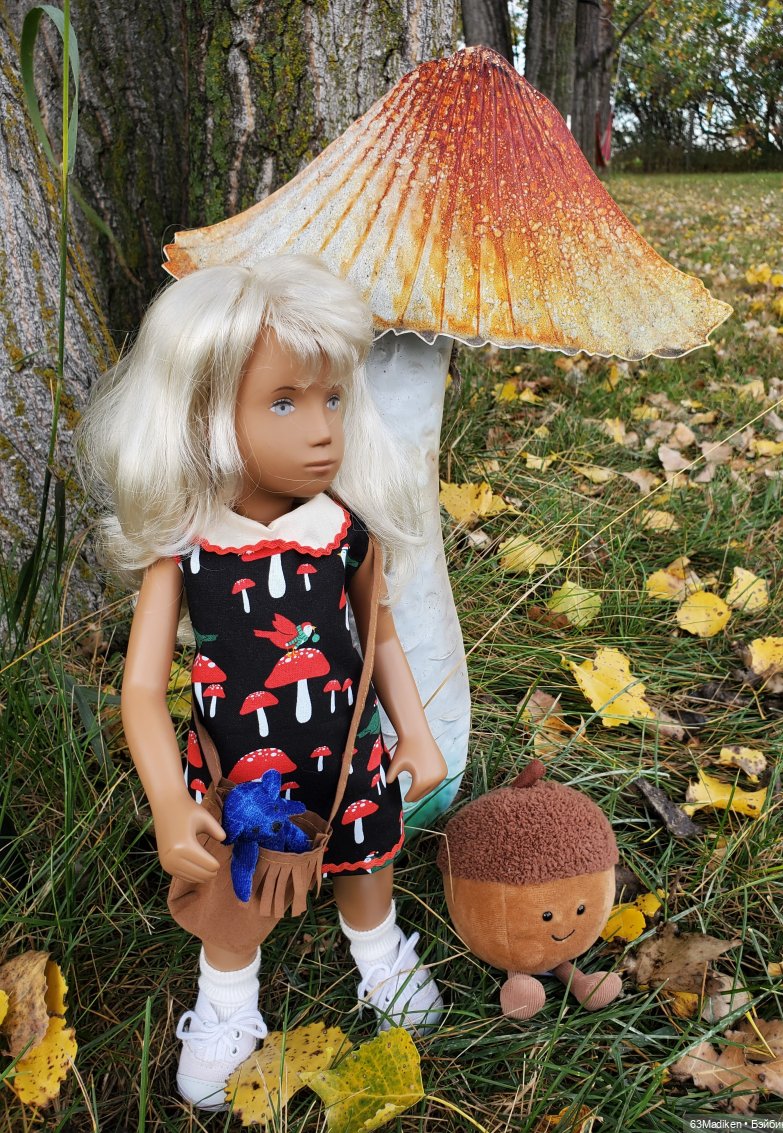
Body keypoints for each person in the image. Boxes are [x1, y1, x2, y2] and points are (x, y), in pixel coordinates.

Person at [77, 254, 448, 1110]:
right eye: (284, 402)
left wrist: (415, 732)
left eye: (332, 400)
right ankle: (227, 998)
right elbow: (142, 688)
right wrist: (169, 800)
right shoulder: (188, 547)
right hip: (241, 762)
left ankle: (379, 950)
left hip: (343, 745)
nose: (322, 431)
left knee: (364, 854)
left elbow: (380, 636)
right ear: (206, 414)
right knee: (232, 888)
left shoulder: (345, 532)